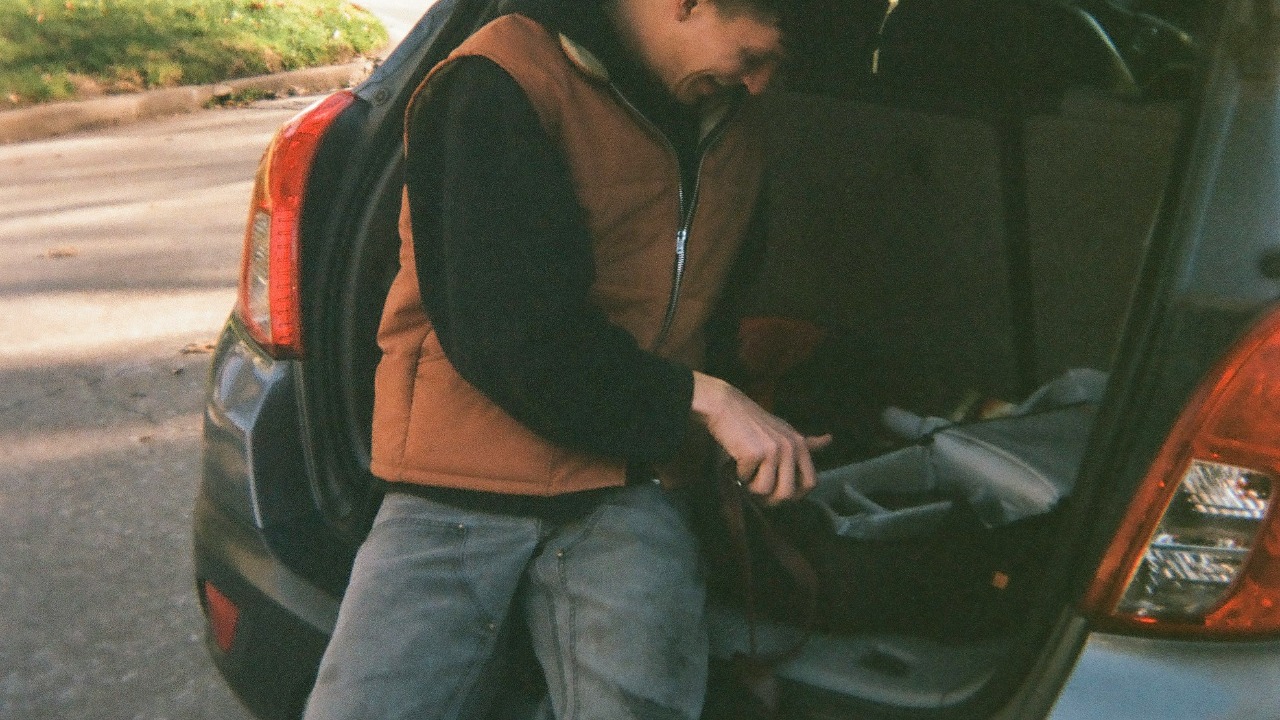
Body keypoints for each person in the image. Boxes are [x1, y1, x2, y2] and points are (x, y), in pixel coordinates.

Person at [303, 0, 829, 718]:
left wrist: (739, 440)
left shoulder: (733, 127)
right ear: (688, 3)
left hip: (633, 479)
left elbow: (716, 313)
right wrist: (708, 403)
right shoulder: (499, 80)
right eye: (753, 57)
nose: (762, 85)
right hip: (461, 479)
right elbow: (515, 337)